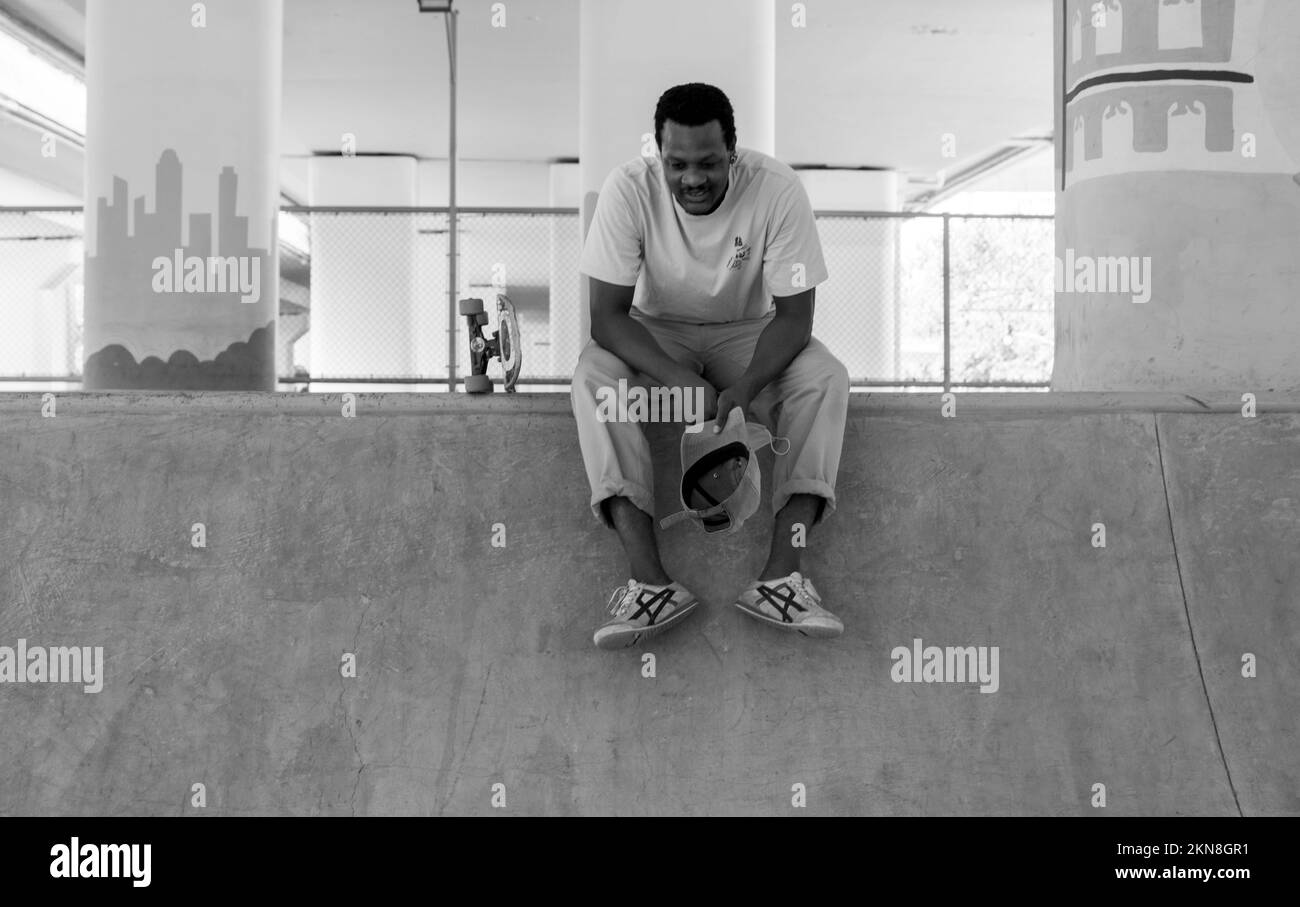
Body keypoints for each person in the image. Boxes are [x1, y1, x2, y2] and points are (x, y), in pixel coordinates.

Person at [570, 82, 850, 650]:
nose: (692, 179)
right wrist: (680, 381)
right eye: (676, 164)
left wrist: (745, 387)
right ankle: (649, 585)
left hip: (752, 331)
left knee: (826, 377)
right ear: (659, 154)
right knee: (594, 377)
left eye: (707, 163)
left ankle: (782, 579)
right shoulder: (628, 190)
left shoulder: (778, 189)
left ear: (733, 152)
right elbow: (607, 318)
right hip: (656, 334)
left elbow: (795, 318)